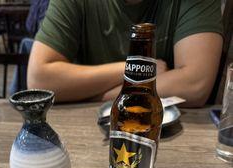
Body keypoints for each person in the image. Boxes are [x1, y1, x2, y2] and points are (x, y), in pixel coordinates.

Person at [26, 0, 223, 107]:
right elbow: (39, 80)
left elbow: (195, 84)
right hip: (86, 135)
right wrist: (139, 70)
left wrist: (97, 95)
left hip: (168, 134)